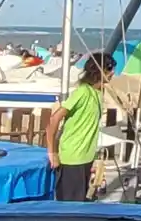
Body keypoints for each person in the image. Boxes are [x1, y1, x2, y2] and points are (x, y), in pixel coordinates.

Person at [47, 53, 113, 202]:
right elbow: (54, 118)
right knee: (71, 205)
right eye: (109, 69)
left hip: (86, 157)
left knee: (82, 202)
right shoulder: (82, 92)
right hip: (73, 157)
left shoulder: (98, 94)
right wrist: (52, 152)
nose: (113, 73)